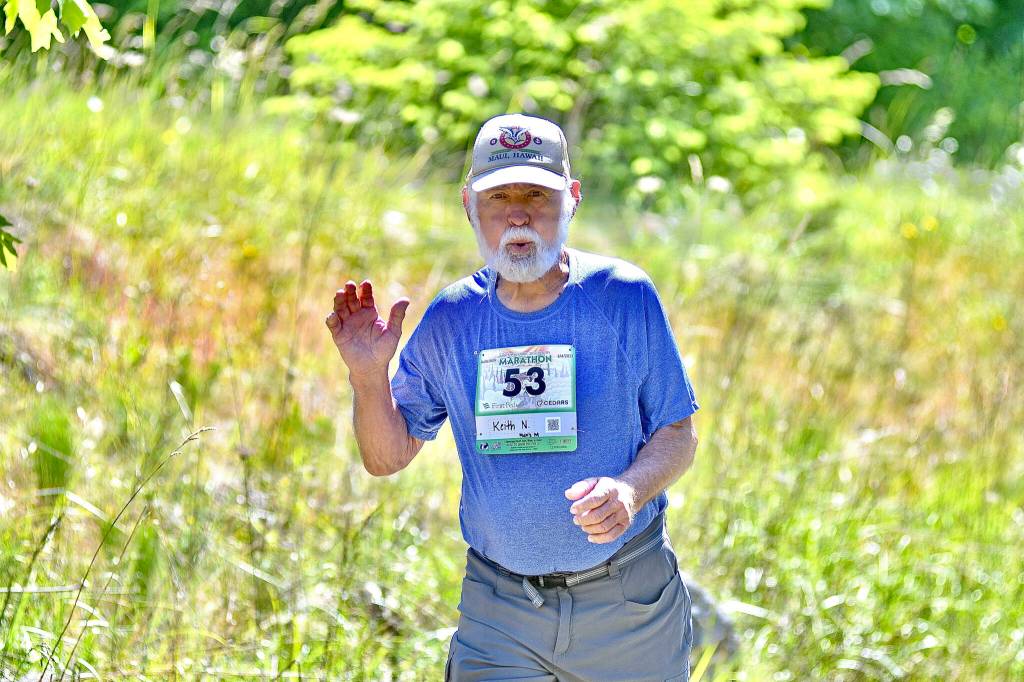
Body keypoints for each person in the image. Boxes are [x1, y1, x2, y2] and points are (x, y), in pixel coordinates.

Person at [325, 113, 701, 681]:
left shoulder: (623, 296)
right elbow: (386, 457)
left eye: (537, 195)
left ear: (572, 199)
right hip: (498, 611)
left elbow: (678, 433)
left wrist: (628, 489)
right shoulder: (453, 317)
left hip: (627, 604)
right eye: (499, 196)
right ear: (468, 206)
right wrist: (368, 377)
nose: (518, 214)